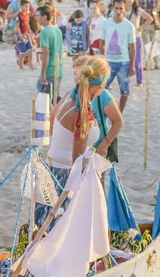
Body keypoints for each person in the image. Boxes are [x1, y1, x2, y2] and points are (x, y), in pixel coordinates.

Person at [34, 56, 110, 227]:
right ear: (101, 85)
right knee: (64, 228)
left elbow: (52, 120)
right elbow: (78, 158)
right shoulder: (81, 111)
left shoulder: (71, 96)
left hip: (52, 167)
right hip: (66, 176)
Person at [100, 0, 136, 113]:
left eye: (121, 9)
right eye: (116, 8)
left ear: (125, 9)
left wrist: (132, 65)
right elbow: (102, 43)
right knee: (101, 88)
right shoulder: (106, 23)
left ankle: (119, 113)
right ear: (112, 8)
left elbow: (133, 47)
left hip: (123, 63)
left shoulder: (129, 26)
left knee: (124, 91)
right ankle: (103, 111)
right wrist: (102, 58)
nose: (118, 11)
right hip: (108, 62)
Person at [36, 5, 63, 103]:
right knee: (54, 98)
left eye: (38, 15)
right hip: (59, 69)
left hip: (50, 70)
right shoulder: (57, 30)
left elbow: (46, 54)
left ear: (44, 17)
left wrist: (43, 74)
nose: (36, 18)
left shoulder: (45, 32)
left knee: (46, 101)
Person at [126, 0, 152, 86]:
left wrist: (141, 27)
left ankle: (139, 81)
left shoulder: (137, 10)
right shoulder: (123, 9)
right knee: (126, 60)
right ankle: (127, 79)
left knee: (137, 60)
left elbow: (150, 18)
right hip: (124, 39)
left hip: (136, 37)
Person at [139, 0, 160, 69]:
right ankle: (157, 64)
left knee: (147, 44)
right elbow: (158, 9)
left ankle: (148, 65)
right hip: (154, 24)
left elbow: (138, 11)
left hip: (145, 23)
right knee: (154, 43)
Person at [16, 0, 35, 69]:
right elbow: (17, 27)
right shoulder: (19, 16)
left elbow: (28, 25)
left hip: (27, 34)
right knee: (22, 51)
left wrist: (30, 33)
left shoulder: (27, 14)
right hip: (22, 35)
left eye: (28, 6)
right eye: (26, 6)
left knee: (30, 49)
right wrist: (20, 36)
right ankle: (21, 66)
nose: (28, 8)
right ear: (21, 6)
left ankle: (30, 64)